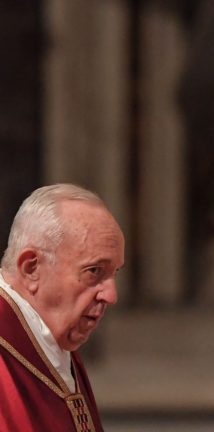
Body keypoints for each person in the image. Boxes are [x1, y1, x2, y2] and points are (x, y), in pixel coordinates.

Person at [0, 184, 124, 432]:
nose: (111, 295)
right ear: (31, 268)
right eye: (94, 271)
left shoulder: (51, 343)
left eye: (115, 273)